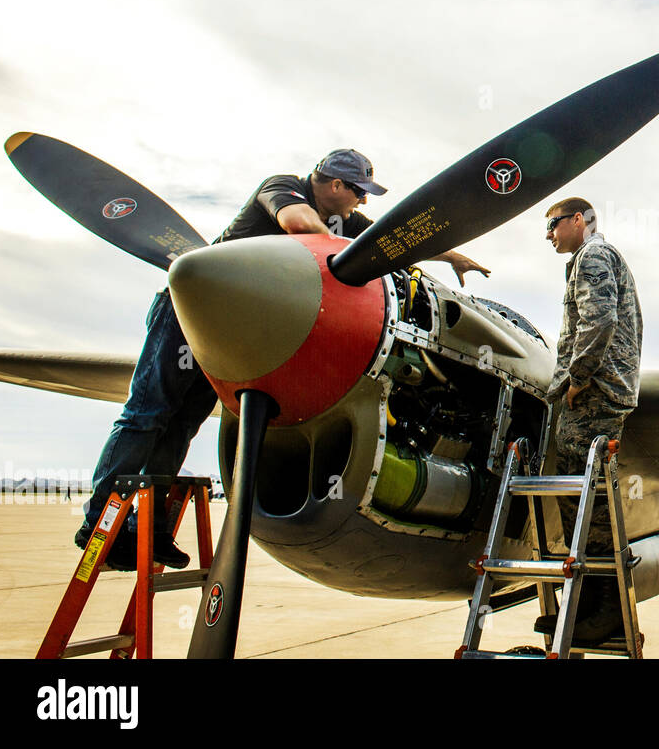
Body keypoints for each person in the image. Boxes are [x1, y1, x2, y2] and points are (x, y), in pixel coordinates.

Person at [76, 149, 491, 571]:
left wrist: (449, 255)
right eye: (358, 193)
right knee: (147, 415)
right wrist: (342, 250)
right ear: (334, 185)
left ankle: (147, 531)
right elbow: (297, 224)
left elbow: (391, 238)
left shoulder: (341, 221)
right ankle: (97, 521)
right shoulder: (283, 187)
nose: (362, 203)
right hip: (191, 315)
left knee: (181, 425)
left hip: (234, 333)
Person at [536, 197, 642, 645]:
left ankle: (605, 612)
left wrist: (577, 377)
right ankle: (587, 606)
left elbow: (599, 321)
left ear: (579, 220)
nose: (549, 235)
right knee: (585, 496)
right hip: (599, 387)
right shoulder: (592, 257)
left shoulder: (594, 255)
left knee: (588, 501)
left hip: (595, 392)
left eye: (554, 224)